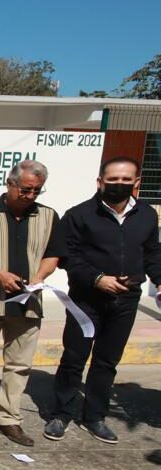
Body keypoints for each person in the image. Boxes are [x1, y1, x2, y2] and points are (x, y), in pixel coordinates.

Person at [45, 157, 161, 444]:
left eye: (125, 180)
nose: (118, 185)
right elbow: (68, 257)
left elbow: (152, 254)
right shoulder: (79, 215)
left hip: (126, 300)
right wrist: (98, 278)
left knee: (107, 360)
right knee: (74, 358)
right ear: (100, 183)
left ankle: (94, 416)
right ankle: (61, 414)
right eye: (112, 180)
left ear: (136, 183)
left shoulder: (147, 216)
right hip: (86, 300)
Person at [0, 160, 64, 446]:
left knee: (19, 363)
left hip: (28, 304)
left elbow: (53, 254)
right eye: (26, 189)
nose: (30, 196)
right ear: (10, 183)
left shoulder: (48, 216)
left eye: (36, 191)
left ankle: (8, 418)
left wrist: (39, 277)